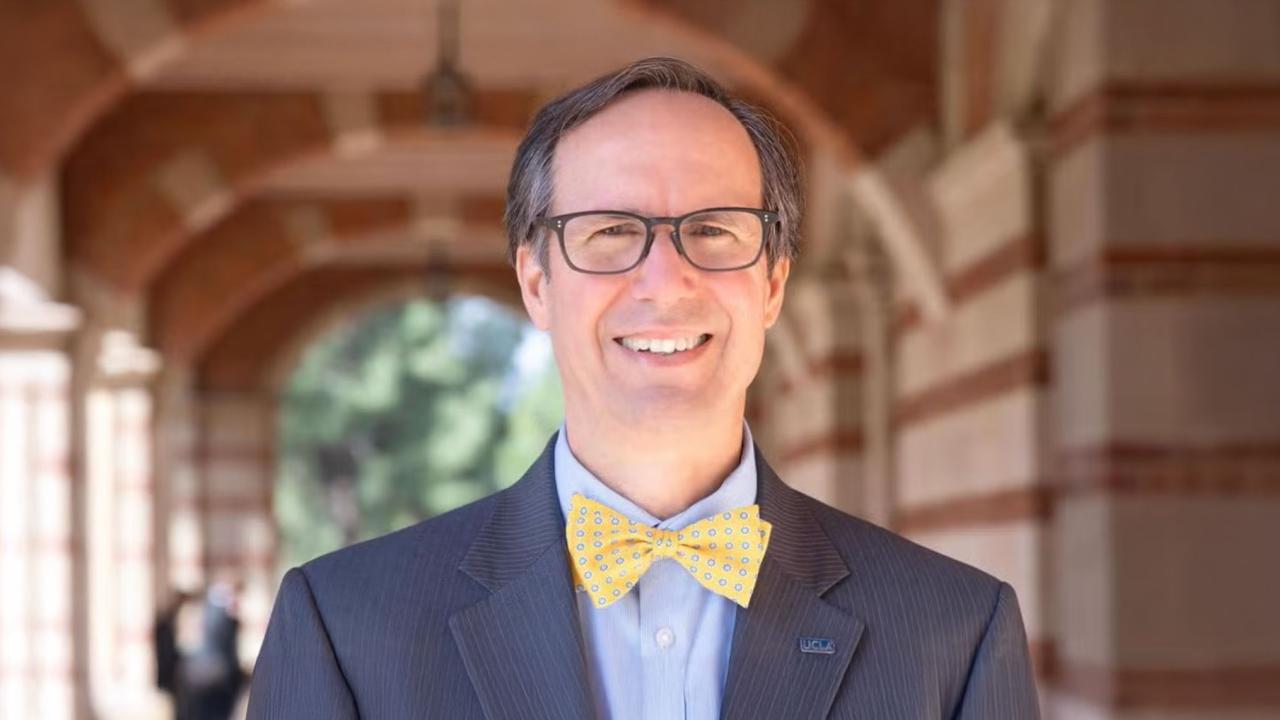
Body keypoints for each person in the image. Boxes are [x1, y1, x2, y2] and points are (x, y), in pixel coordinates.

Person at [246, 56, 1039, 719]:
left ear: (771, 284)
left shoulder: (954, 632)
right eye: (612, 232)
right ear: (536, 283)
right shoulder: (345, 626)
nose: (665, 279)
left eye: (714, 229)